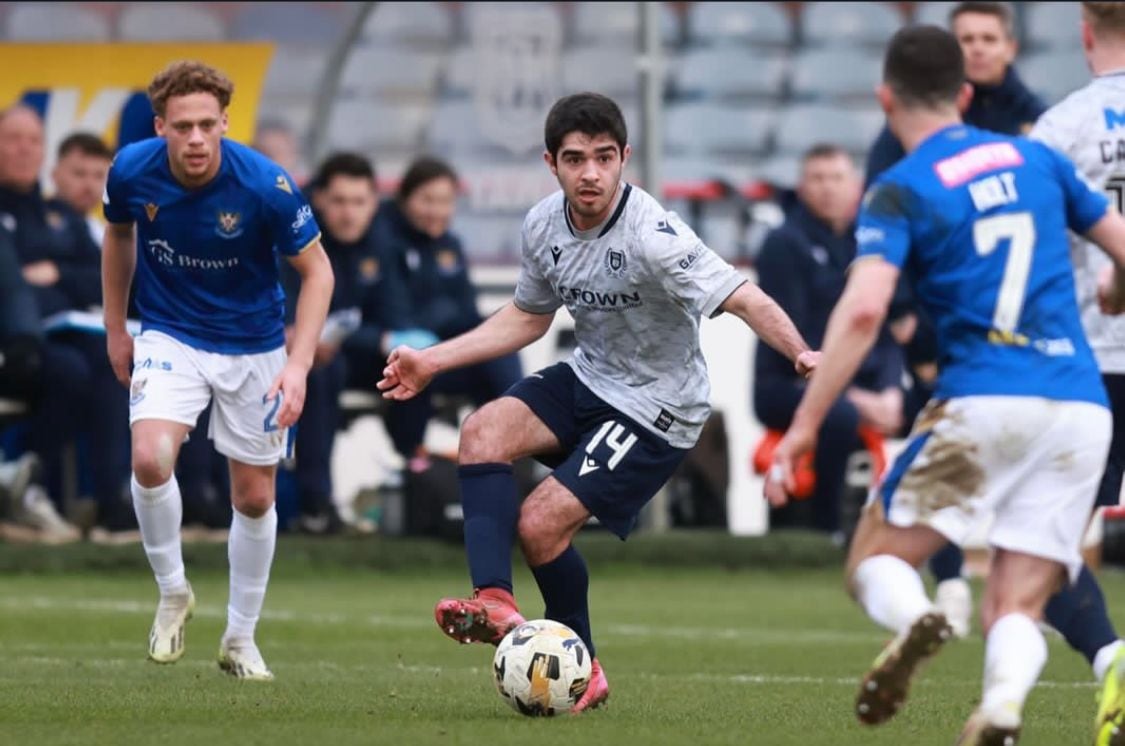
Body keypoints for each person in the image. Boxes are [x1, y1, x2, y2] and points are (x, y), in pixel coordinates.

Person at [378, 92, 817, 713]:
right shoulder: (542, 225)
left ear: (624, 158)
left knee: (540, 523)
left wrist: (801, 354)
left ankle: (581, 665)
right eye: (576, 159)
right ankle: (495, 601)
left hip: (658, 407)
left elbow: (744, 297)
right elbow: (528, 317)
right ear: (551, 163)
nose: (591, 173)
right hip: (591, 378)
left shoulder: (654, 236)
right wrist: (432, 361)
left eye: (604, 158)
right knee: (482, 432)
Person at [765, 25, 1125, 742]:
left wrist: (803, 427)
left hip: (984, 398)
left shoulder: (900, 188)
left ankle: (916, 618)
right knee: (1017, 601)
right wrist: (1114, 291)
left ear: (885, 99)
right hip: (1079, 404)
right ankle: (1001, 708)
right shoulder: (1037, 158)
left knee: (874, 559)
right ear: (963, 94)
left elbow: (864, 308)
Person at [101, 60, 334, 680]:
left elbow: (318, 273)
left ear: (226, 122)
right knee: (149, 458)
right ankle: (173, 590)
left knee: (254, 496)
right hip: (169, 333)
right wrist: (116, 327)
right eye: (183, 127)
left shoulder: (266, 185)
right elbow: (118, 237)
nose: (197, 138)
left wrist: (298, 367)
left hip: (254, 345)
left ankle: (240, 637)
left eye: (208, 125)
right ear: (161, 127)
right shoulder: (129, 171)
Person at [865, 0, 1049, 638]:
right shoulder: (905, 130)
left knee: (1014, 473)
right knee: (940, 460)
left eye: (987, 37)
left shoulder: (1036, 123)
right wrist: (908, 326)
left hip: (1021, 333)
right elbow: (881, 222)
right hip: (940, 332)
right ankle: (949, 584)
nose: (976, 47)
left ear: (1010, 47)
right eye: (964, 37)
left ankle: (1016, 598)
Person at [1029, 4, 1125, 742]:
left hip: (1089, 364)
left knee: (1042, 542)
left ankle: (1112, 660)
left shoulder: (1059, 130)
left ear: (1084, 31)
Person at [754, 144, 903, 538]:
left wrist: (891, 390)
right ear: (802, 187)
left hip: (860, 383)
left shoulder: (868, 241)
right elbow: (795, 339)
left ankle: (921, 540)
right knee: (841, 416)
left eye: (836, 178)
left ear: (855, 186)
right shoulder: (783, 243)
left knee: (934, 404)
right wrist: (855, 396)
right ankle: (828, 532)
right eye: (817, 178)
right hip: (787, 383)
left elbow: (886, 327)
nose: (827, 188)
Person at [0, 104, 121, 541]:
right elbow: (14, 285)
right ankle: (24, 486)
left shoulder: (55, 215)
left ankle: (112, 501)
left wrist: (58, 274)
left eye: (33, 140)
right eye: (13, 139)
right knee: (70, 369)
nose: (24, 149)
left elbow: (106, 277)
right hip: (15, 344)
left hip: (47, 341)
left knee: (108, 363)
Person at [371, 156, 522, 469]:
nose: (436, 210)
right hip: (389, 360)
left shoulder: (449, 245)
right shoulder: (383, 241)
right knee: (416, 358)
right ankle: (415, 465)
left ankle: (512, 443)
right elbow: (397, 316)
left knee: (496, 349)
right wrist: (444, 317)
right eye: (427, 200)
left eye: (445, 202)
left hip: (441, 355)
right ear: (405, 198)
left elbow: (467, 309)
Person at [281, 151, 384, 533]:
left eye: (358, 202)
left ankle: (423, 486)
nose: (348, 213)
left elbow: (393, 317)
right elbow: (282, 311)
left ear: (373, 202)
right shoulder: (293, 238)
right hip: (293, 358)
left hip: (359, 356)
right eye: (339, 201)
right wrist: (299, 338)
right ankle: (316, 502)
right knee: (320, 372)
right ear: (320, 199)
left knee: (413, 361)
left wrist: (370, 338)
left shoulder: (381, 243)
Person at [51, 132, 113, 246]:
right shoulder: (37, 223)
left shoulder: (103, 233)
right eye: (79, 173)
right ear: (55, 174)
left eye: (99, 176)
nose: (89, 185)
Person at [252, 118, 306, 188]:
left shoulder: (304, 189)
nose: (268, 160)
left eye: (277, 152)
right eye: (262, 152)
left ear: (293, 155)